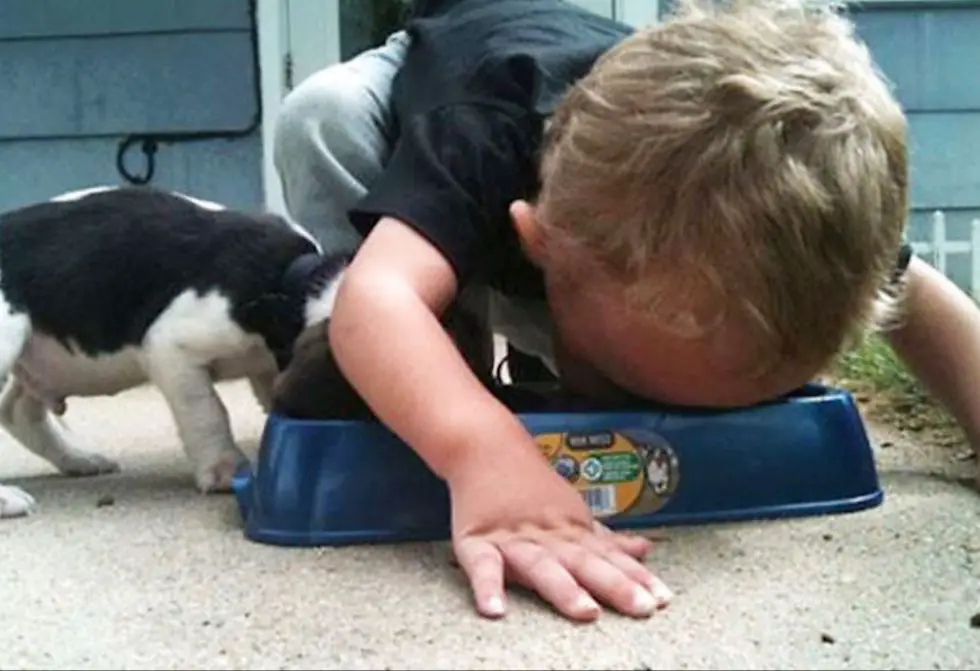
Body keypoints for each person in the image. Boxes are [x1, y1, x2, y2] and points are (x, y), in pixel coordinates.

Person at [272, 0, 980, 622]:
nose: (629, 411)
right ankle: (371, 354)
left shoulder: (811, 221)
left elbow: (928, 307)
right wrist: (478, 448)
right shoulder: (480, 143)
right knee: (321, 115)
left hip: (618, 96)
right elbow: (380, 301)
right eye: (613, 381)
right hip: (457, 70)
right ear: (536, 239)